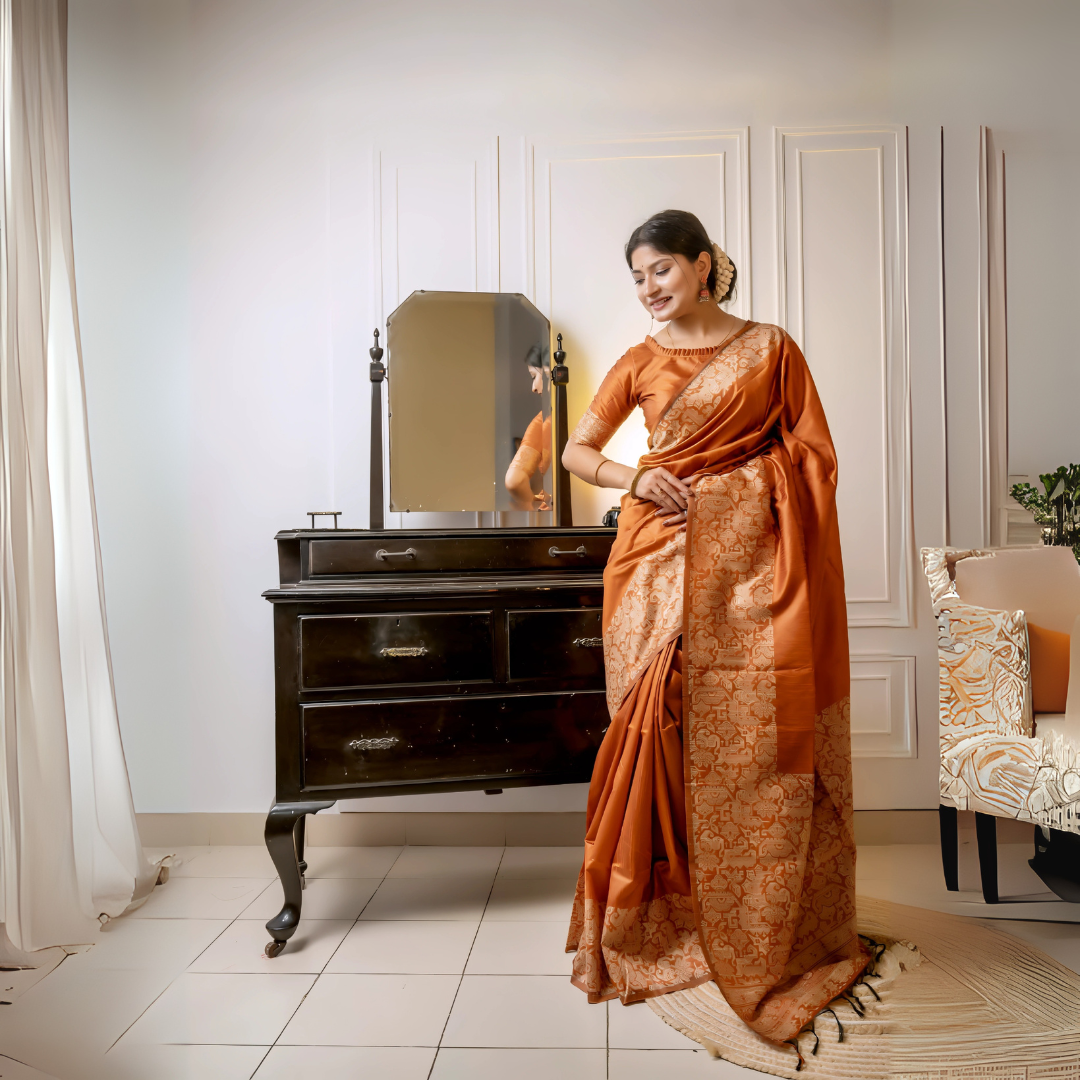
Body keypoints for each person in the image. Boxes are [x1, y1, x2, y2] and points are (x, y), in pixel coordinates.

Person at [562, 209, 868, 1045]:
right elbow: (576, 453)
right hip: (653, 562)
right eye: (635, 276)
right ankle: (666, 917)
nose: (647, 289)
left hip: (754, 574)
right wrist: (641, 474)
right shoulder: (640, 361)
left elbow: (814, 460)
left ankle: (758, 918)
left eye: (660, 269)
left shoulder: (771, 350)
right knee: (655, 730)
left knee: (753, 739)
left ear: (703, 265)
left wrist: (738, 495)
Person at [504, 344, 551, 511]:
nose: (533, 387)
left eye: (533, 376)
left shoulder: (544, 420)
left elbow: (514, 481)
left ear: (547, 372)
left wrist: (528, 505)